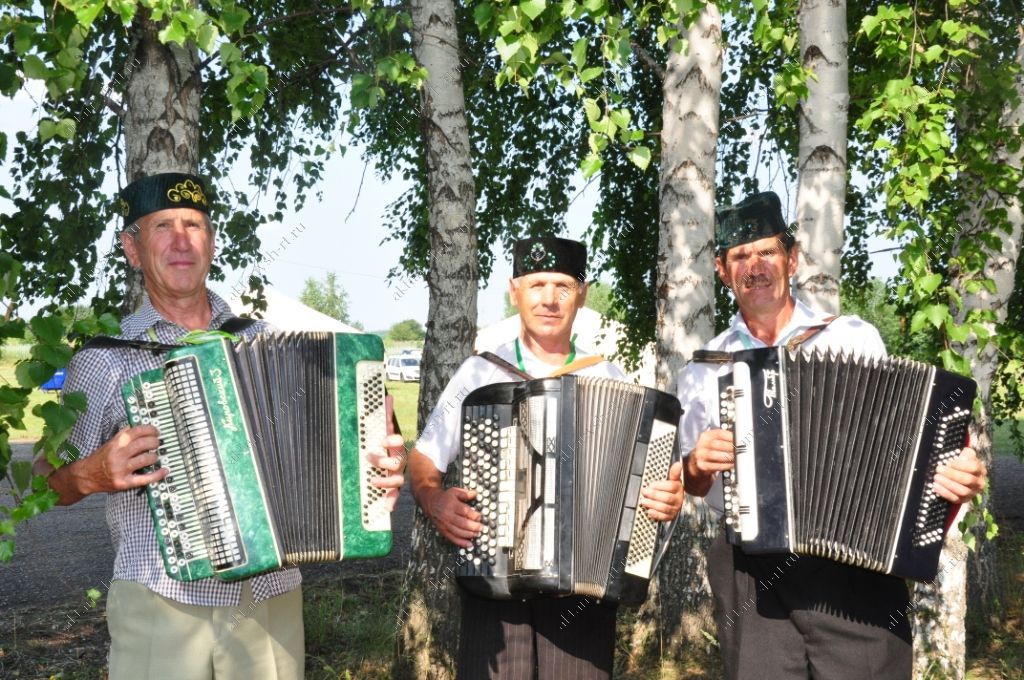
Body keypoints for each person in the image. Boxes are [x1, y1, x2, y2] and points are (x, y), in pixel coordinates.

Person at [33, 173, 406, 680]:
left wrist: (376, 466)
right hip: (158, 600)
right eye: (162, 225)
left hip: (268, 601)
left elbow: (352, 448)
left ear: (211, 242)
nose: (181, 239)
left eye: (194, 225)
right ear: (132, 248)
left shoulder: (271, 342)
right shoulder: (103, 362)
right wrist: (90, 474)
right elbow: (40, 485)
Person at [676, 191, 988, 680]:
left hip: (854, 563)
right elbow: (692, 485)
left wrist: (954, 472)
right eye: (740, 256)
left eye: (767, 252)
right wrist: (695, 466)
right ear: (723, 270)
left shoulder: (850, 337)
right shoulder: (702, 367)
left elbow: (900, 441)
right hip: (751, 573)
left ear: (792, 259)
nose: (754, 266)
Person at [408, 236, 685, 679]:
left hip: (583, 588)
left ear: (583, 294)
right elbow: (424, 459)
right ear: (514, 290)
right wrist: (433, 499)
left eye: (563, 286)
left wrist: (666, 501)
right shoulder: (480, 373)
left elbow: (646, 490)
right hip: (495, 578)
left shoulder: (609, 377)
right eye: (537, 285)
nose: (549, 299)